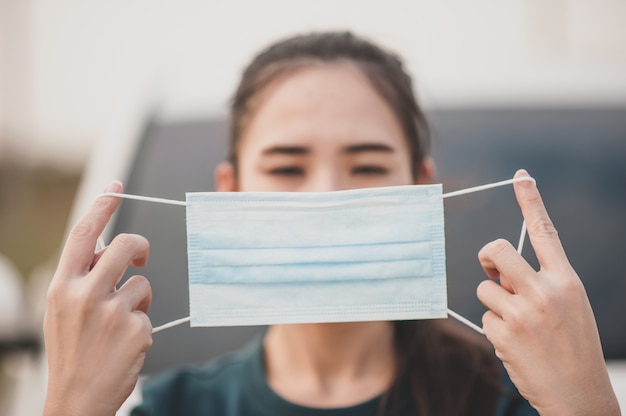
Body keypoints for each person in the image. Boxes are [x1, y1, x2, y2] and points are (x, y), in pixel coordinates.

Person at [42, 32, 620, 416]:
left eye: (367, 164)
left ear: (421, 187)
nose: (326, 195)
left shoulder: (514, 401)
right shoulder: (174, 408)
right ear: (231, 191)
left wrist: (590, 401)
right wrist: (69, 402)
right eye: (287, 165)